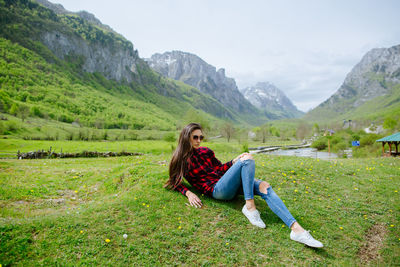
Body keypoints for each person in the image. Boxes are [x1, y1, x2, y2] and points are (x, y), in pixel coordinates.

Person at [165, 123, 323, 248]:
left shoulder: (206, 151)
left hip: (224, 182)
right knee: (247, 159)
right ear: (186, 137)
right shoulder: (180, 159)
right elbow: (173, 182)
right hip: (217, 190)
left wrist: (234, 162)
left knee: (264, 186)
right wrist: (188, 193)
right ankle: (250, 206)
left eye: (201, 137)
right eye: (195, 137)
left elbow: (220, 169)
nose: (199, 140)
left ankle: (296, 230)